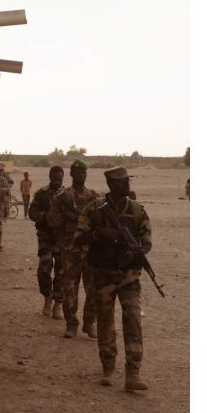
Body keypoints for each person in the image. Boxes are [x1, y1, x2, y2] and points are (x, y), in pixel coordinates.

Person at [74, 166, 152, 391]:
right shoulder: (94, 209)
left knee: (133, 320)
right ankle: (108, 366)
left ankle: (132, 374)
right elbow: (79, 238)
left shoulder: (137, 210)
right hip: (103, 275)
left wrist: (134, 252)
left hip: (129, 276)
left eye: (128, 180)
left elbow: (146, 241)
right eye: (123, 181)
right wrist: (99, 234)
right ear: (111, 185)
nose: (128, 184)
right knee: (106, 321)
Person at [47, 159, 98, 338]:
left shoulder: (93, 196)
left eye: (83, 173)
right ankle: (71, 324)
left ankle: (90, 323)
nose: (81, 175)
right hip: (70, 250)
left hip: (90, 252)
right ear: (71, 174)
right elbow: (51, 220)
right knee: (70, 289)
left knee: (93, 289)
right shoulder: (63, 196)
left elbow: (100, 221)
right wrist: (66, 217)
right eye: (77, 173)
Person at [28, 166, 65, 319]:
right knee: (44, 268)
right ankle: (47, 298)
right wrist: (45, 216)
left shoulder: (68, 195)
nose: (57, 181)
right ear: (49, 177)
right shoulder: (41, 194)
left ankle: (58, 304)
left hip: (63, 238)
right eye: (54, 178)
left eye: (60, 179)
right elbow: (32, 213)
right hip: (45, 236)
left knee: (62, 272)